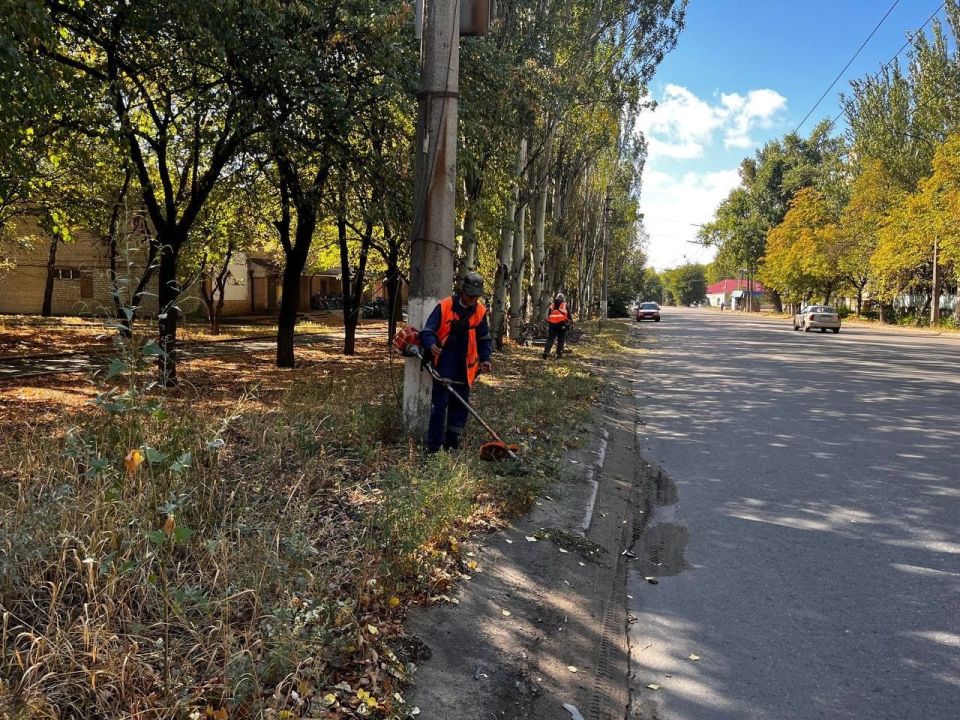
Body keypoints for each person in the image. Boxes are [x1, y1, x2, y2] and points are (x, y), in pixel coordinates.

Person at [419, 272, 493, 453]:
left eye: (477, 296)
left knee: (460, 408)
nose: (473, 299)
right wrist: (430, 345)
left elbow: (484, 339)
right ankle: (434, 449)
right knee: (439, 408)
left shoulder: (481, 311)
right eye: (470, 295)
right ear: (462, 291)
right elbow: (427, 331)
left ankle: (452, 445)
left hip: (465, 369)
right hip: (444, 366)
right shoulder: (445, 306)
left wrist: (485, 359)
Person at [543, 292, 572, 359]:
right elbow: (569, 315)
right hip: (562, 324)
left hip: (552, 325)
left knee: (550, 338)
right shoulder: (564, 305)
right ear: (563, 299)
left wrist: (549, 321)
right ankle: (559, 355)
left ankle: (545, 352)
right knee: (561, 340)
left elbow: (549, 315)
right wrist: (571, 322)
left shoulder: (552, 305)